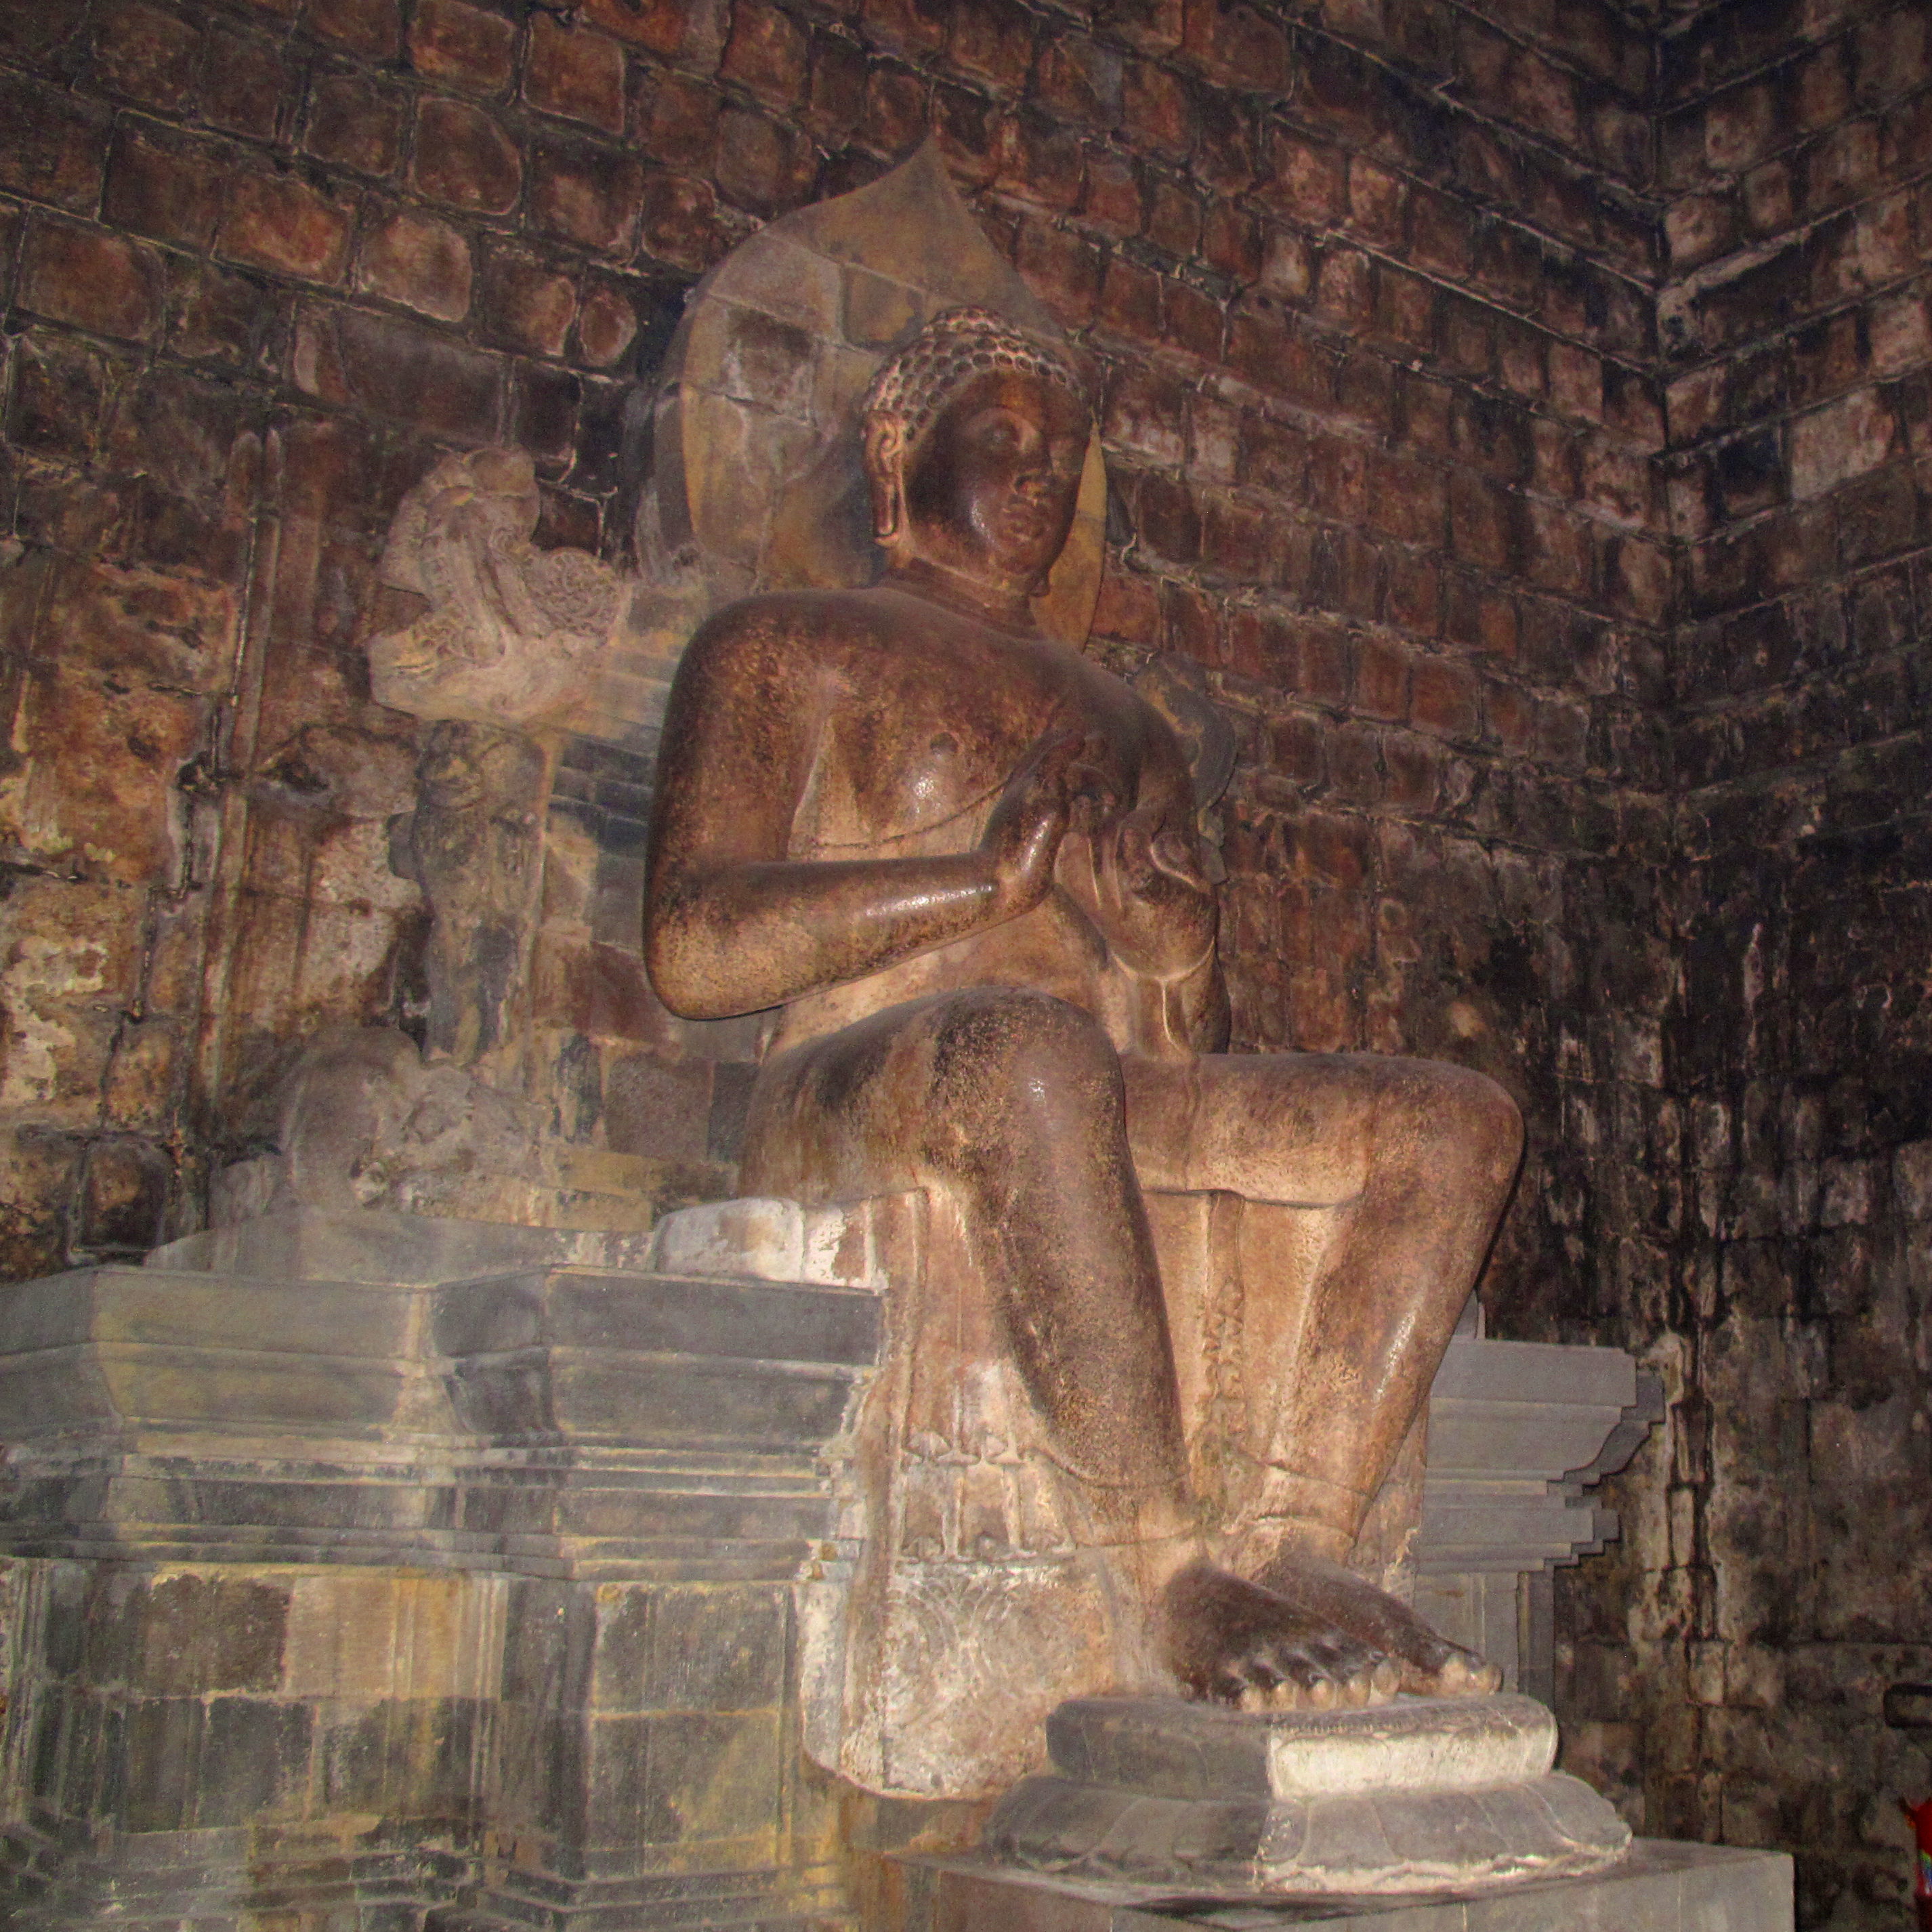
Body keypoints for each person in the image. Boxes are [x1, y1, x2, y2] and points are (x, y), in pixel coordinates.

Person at [644, 308, 1521, 1718]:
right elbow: (693, 947)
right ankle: (1165, 1565)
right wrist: (976, 883)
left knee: (1453, 1120)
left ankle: (1308, 1538)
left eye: (1060, 454)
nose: (1039, 476)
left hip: (1085, 1074)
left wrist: (1169, 951)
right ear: (897, 457)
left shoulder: (1123, 719)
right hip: (855, 1068)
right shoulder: (784, 646)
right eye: (1000, 440)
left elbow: (1184, 1046)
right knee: (1032, 1054)